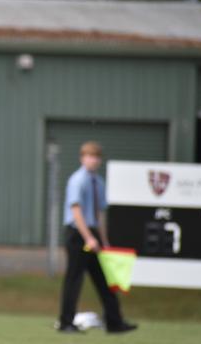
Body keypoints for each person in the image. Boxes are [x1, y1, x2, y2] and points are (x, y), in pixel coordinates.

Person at [57, 141, 137, 334]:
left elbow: (100, 214)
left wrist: (103, 239)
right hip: (78, 234)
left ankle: (114, 322)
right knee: (74, 279)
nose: (92, 160)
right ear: (82, 158)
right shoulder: (77, 180)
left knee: (104, 279)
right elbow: (76, 211)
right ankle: (66, 322)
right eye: (89, 156)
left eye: (96, 156)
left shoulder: (99, 182)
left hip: (93, 234)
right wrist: (88, 238)